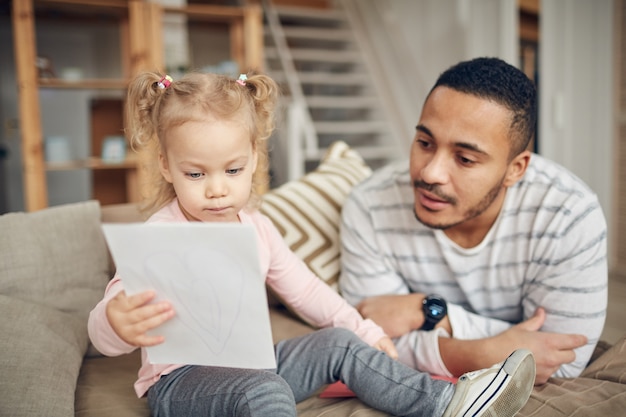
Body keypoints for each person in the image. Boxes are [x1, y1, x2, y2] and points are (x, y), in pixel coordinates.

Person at [88, 70, 536, 417]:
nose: (217, 190)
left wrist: (367, 333)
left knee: (337, 342)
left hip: (257, 365)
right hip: (180, 383)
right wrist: (114, 321)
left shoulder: (257, 228)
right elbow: (103, 334)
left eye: (232, 170)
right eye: (195, 174)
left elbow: (309, 292)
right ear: (166, 166)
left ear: (253, 161)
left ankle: (450, 403)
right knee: (265, 391)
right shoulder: (157, 239)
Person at [338, 57, 608, 386]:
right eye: (425, 143)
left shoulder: (569, 214)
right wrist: (488, 352)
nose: (429, 173)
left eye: (464, 159)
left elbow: (561, 359)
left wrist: (426, 312)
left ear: (515, 169)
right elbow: (369, 340)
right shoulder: (369, 204)